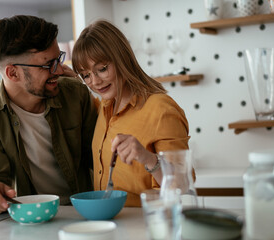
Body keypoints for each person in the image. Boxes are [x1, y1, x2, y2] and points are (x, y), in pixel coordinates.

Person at [0, 15, 97, 217]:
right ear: (13, 74)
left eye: (58, 59)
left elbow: (100, 159)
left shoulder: (75, 94)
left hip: (82, 213)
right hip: (28, 220)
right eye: (48, 65)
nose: (60, 70)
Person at [71, 20, 191, 207]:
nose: (95, 81)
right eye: (86, 75)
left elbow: (182, 184)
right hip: (109, 224)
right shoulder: (104, 106)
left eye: (102, 69)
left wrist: (148, 158)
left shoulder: (160, 108)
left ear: (122, 58)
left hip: (146, 225)